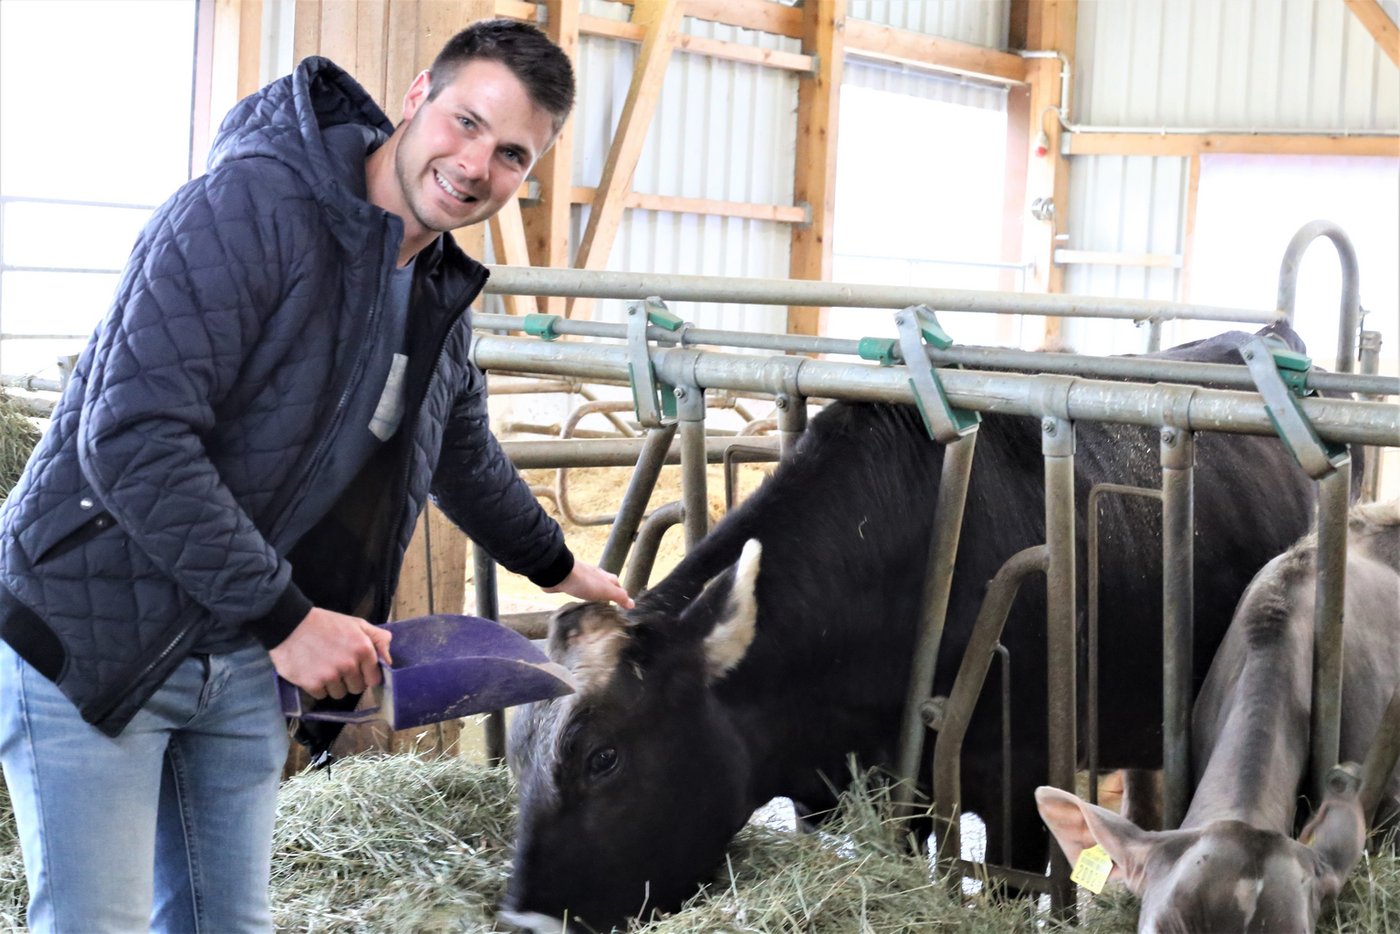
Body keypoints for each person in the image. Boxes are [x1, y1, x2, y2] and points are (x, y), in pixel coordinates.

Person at [0, 18, 629, 933]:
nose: (473, 164)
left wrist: (561, 568)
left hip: (241, 650)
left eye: (511, 155)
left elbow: (461, 455)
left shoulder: (436, 291)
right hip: (95, 628)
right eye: (463, 122)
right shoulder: (250, 208)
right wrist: (288, 620)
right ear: (417, 97)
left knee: (230, 922)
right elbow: (134, 438)